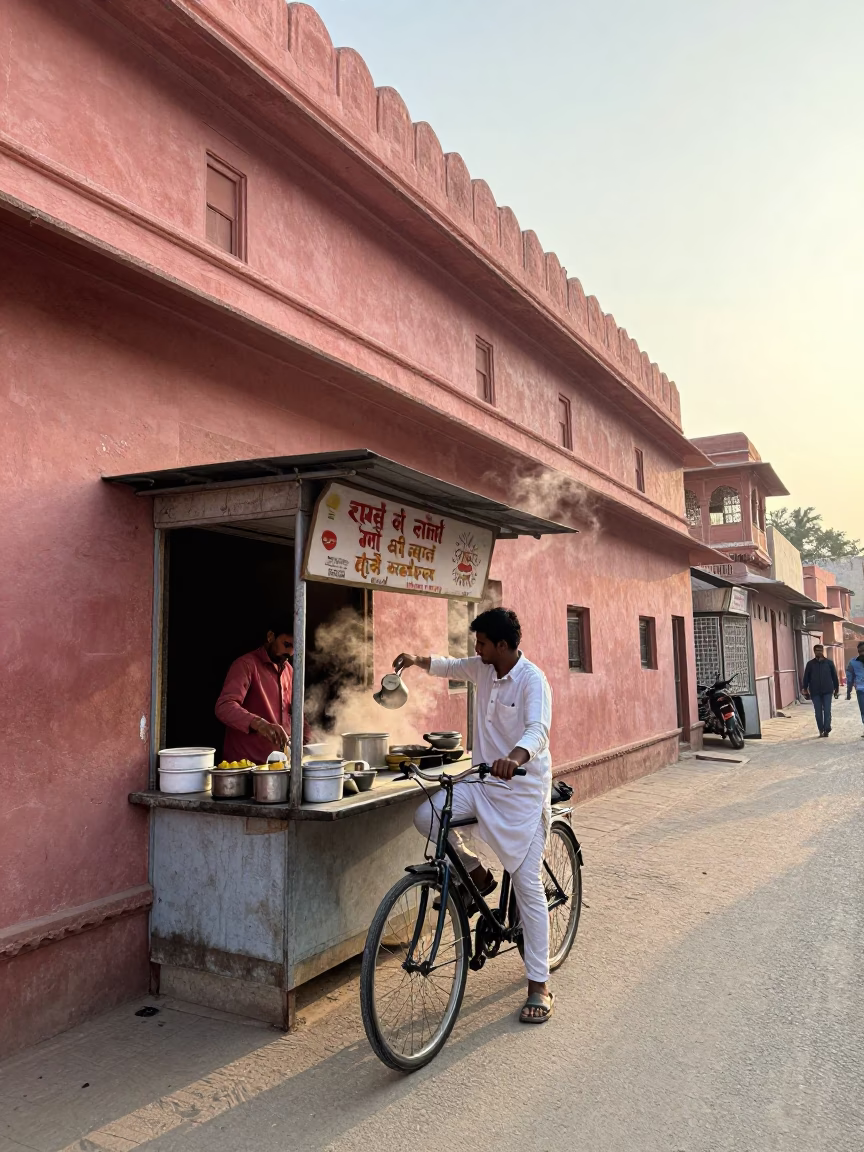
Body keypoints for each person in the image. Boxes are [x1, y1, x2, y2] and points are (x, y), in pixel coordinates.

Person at [394, 606, 555, 1025]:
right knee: (428, 817)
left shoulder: (532, 679)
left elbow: (537, 730)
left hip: (521, 790)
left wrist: (514, 758)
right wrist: (415, 660)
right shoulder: (483, 669)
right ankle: (474, 871)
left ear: (502, 645)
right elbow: (448, 666)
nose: (476, 649)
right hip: (483, 784)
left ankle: (538, 984)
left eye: (481, 643)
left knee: (527, 885)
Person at [215, 626, 312, 763]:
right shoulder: (245, 665)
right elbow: (224, 706)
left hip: (280, 767)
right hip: (245, 768)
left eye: (295, 647)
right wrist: (260, 724)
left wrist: (308, 743)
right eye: (286, 644)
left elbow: (298, 714)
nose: (290, 653)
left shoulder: (290, 671)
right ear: (270, 636)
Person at [801, 644, 839, 737]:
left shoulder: (829, 663)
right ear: (814, 652)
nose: (819, 652)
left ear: (823, 651)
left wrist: (836, 688)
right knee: (818, 712)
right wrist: (805, 688)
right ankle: (821, 729)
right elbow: (806, 677)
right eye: (817, 650)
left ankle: (827, 728)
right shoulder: (810, 664)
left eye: (820, 650)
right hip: (815, 691)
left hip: (827, 690)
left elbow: (834, 676)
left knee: (827, 710)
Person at [846, 640, 864, 737]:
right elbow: (850, 679)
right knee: (863, 711)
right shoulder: (853, 663)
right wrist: (848, 692)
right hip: (861, 690)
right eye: (860, 651)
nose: (862, 653)